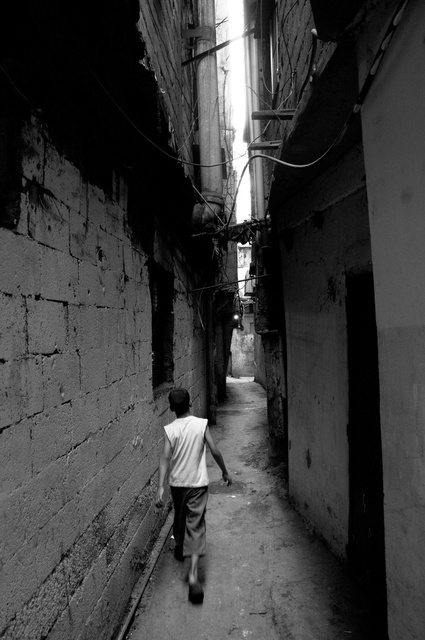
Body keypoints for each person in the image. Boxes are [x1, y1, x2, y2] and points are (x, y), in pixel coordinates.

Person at [155, 387, 232, 604]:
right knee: (195, 525)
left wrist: (160, 486)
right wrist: (224, 471)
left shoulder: (170, 429)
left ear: (171, 408)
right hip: (198, 485)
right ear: (190, 403)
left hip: (177, 485)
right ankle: (192, 575)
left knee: (180, 518)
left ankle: (180, 547)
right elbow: (215, 450)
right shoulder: (201, 424)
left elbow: (164, 458)